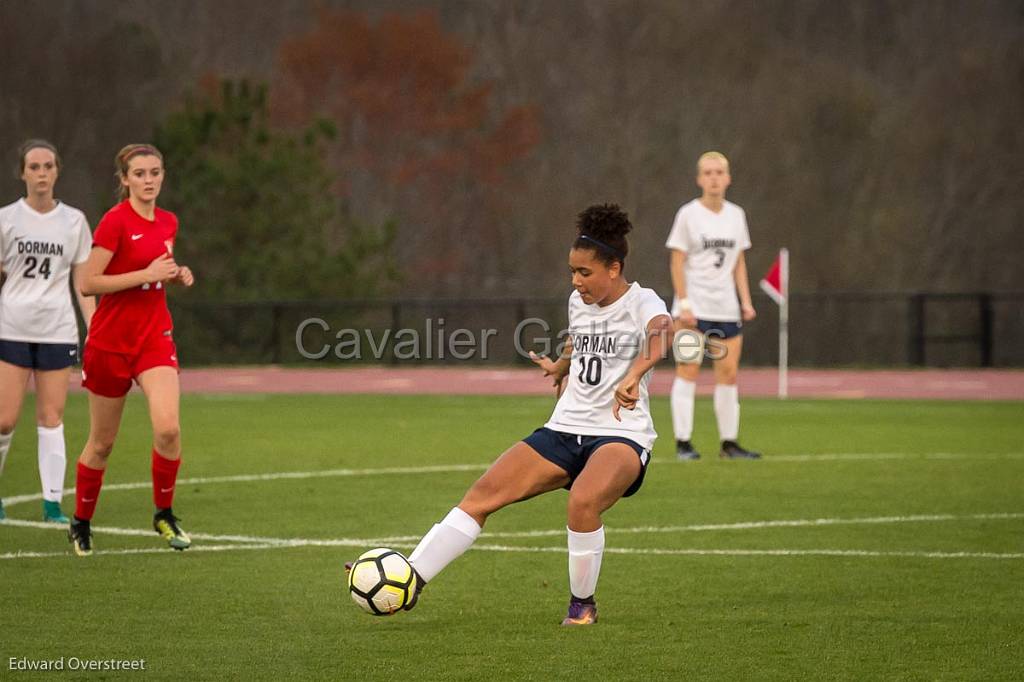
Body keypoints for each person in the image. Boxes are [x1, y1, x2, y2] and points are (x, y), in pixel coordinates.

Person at [362, 204, 672, 625]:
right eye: (572, 272)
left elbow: (662, 337)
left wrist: (635, 373)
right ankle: (411, 578)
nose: (575, 281)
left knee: (582, 502)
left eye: (585, 272)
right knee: (480, 496)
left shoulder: (643, 301)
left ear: (614, 268)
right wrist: (562, 366)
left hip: (621, 434)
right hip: (563, 428)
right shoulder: (578, 302)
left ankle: (582, 606)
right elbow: (578, 339)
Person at [67, 144, 195, 556]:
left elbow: (157, 273)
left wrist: (174, 276)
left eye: (155, 172)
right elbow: (88, 282)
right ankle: (81, 521)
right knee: (102, 443)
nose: (148, 180)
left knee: (169, 429)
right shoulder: (114, 222)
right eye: (139, 173)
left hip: (153, 337)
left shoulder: (168, 221)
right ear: (124, 180)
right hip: (109, 343)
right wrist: (147, 273)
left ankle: (164, 513)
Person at [0, 140, 96, 522]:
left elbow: (82, 282)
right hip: (12, 327)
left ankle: (52, 503)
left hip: (57, 329)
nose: (41, 173)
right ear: (22, 173)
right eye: (34, 167)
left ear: (57, 171)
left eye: (48, 166)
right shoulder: (7, 218)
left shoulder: (74, 221)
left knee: (51, 417)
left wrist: (95, 327)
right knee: (5, 419)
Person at [666, 151, 761, 460]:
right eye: (707, 173)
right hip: (693, 309)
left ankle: (729, 444)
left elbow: (739, 262)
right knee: (688, 370)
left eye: (719, 172)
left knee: (729, 374)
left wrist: (745, 300)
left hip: (725, 307)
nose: (714, 178)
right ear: (699, 179)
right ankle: (683, 442)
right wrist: (684, 303)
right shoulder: (688, 215)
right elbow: (677, 261)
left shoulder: (736, 215)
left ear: (728, 177)